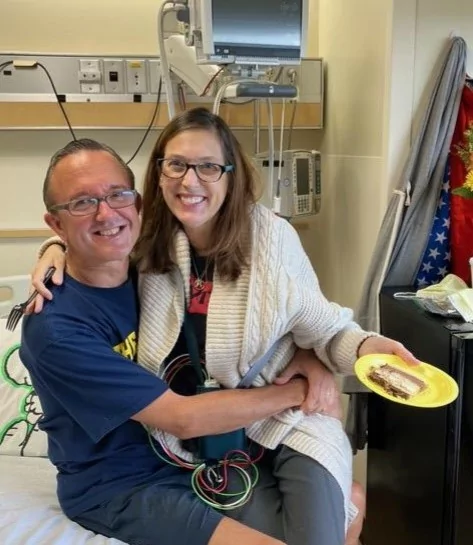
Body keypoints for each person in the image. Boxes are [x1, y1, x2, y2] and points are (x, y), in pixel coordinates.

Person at [33, 111, 418, 545]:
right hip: (181, 454)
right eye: (176, 164)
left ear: (230, 175)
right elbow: (181, 418)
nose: (190, 181)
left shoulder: (258, 241)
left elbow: (325, 326)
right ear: (159, 174)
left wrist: (359, 349)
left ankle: (342, 507)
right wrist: (53, 249)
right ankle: (349, 509)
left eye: (208, 167)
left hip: (262, 431)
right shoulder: (140, 255)